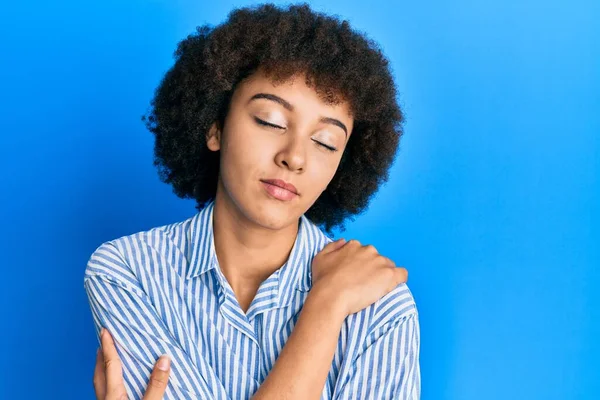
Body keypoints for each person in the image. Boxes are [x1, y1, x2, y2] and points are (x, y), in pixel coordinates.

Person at [85, 3, 420, 399]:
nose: (294, 156)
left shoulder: (380, 305)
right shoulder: (125, 271)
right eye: (270, 121)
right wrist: (326, 307)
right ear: (215, 128)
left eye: (324, 142)